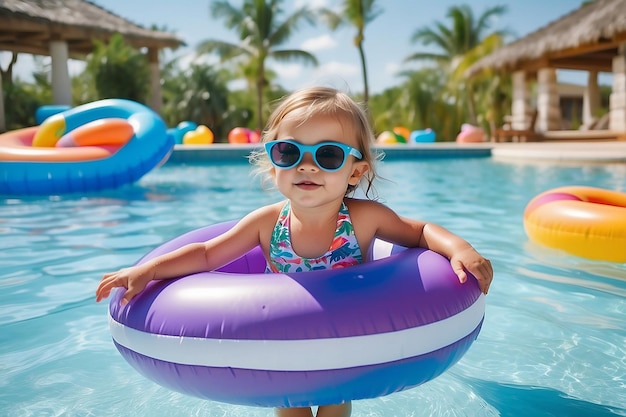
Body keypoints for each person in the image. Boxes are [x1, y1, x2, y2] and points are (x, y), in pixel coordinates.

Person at [96, 86, 493, 417]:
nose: (307, 166)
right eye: (289, 152)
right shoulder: (266, 223)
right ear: (273, 164)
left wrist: (460, 249)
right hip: (283, 338)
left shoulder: (364, 218)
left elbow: (420, 232)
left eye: (329, 155)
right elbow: (204, 256)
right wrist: (149, 270)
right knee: (290, 409)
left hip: (346, 334)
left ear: (355, 171)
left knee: (336, 403)